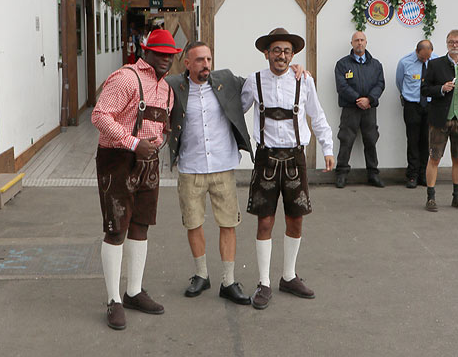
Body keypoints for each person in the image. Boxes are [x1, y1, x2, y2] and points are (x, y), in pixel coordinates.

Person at [91, 29, 182, 330]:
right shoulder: (126, 78)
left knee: (141, 225)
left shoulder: (166, 88)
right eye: (160, 53)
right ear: (146, 51)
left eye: (170, 54)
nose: (166, 59)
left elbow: (162, 123)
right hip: (117, 160)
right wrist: (132, 142)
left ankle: (133, 292)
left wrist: (158, 139)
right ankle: (113, 299)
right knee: (116, 229)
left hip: (148, 163)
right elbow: (100, 116)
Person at [241, 28, 334, 310]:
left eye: (287, 52)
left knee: (296, 219)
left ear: (292, 55)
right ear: (266, 53)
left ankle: (289, 276)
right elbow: (234, 111)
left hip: (296, 159)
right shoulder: (253, 81)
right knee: (265, 221)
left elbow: (317, 115)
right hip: (266, 159)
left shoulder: (304, 81)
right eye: (276, 50)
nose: (281, 56)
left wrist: (328, 148)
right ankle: (264, 282)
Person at [165, 42, 254, 305]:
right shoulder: (173, 86)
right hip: (190, 168)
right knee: (193, 223)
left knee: (228, 223)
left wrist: (296, 70)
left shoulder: (225, 79)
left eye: (209, 59)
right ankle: (201, 275)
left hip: (223, 166)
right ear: (187, 63)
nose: (206, 64)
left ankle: (228, 280)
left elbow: (256, 83)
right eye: (200, 60)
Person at [334, 31, 385, 188]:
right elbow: (342, 86)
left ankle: (373, 174)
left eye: (362, 40)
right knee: (346, 140)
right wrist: (358, 99)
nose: (359, 43)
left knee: (370, 140)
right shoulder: (342, 64)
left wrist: (369, 99)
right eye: (356, 40)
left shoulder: (376, 64)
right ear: (352, 43)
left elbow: (380, 84)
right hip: (350, 109)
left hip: (369, 109)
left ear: (366, 42)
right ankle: (341, 174)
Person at [420, 29, 458, 212]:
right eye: (451, 42)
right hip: (440, 119)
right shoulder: (435, 64)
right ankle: (431, 197)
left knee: (457, 159)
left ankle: (456, 197)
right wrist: (441, 89)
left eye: (457, 42)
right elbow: (424, 89)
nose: (454, 45)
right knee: (434, 158)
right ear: (446, 43)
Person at [396, 40, 436, 188]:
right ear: (417, 51)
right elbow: (399, 83)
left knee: (426, 141)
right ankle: (412, 175)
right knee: (412, 141)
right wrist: (407, 96)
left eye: (428, 57)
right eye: (422, 57)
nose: (425, 60)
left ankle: (423, 175)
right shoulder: (405, 62)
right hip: (412, 105)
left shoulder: (436, 61)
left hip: (430, 105)